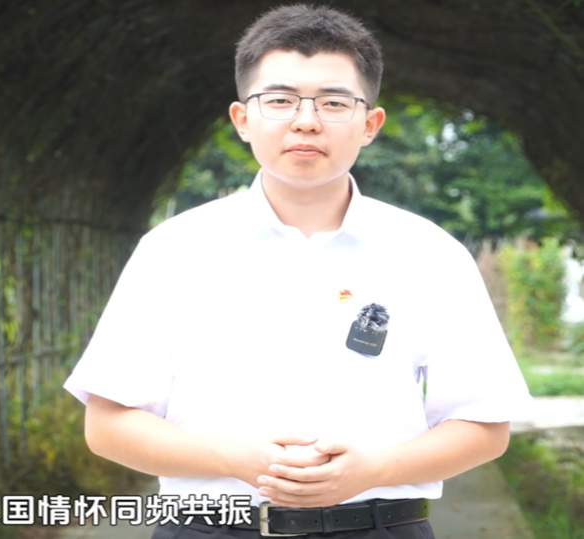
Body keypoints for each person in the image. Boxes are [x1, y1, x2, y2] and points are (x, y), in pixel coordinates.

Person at [63, 4, 532, 538]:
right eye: (280, 100)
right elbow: (108, 424)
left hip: (380, 527)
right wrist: (233, 459)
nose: (306, 120)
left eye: (334, 102)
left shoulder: (430, 253)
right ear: (242, 119)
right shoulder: (173, 250)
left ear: (370, 123)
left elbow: (484, 425)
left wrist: (375, 470)